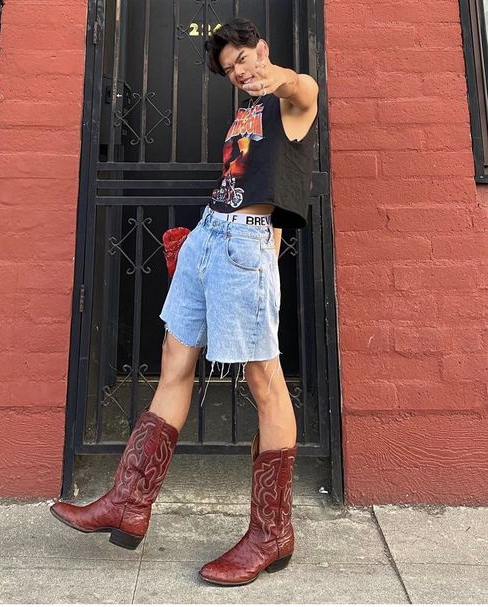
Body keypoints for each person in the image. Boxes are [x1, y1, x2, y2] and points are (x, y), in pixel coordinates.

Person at [50, 17, 318, 587]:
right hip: (208, 237)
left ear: (261, 49)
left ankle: (271, 533)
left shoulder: (291, 104)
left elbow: (306, 89)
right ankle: (128, 502)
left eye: (244, 59)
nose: (240, 72)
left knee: (262, 378)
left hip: (245, 243)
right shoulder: (243, 112)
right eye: (230, 70)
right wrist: (199, 243)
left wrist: (281, 78)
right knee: (174, 358)